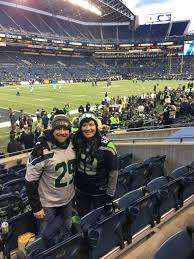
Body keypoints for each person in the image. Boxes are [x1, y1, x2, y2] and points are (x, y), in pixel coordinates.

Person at [25, 114, 75, 237]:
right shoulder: (42, 149)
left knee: (66, 229)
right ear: (52, 129)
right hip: (48, 204)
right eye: (58, 128)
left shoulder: (73, 143)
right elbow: (30, 180)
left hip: (67, 199)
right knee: (46, 235)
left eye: (65, 129)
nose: (62, 132)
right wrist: (36, 207)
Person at [73, 112, 118, 217]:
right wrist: (42, 139)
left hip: (99, 192)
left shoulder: (107, 145)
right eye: (84, 125)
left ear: (96, 126)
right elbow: (60, 136)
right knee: (83, 218)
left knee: (100, 220)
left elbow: (113, 172)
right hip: (81, 190)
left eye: (91, 124)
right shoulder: (76, 139)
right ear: (80, 127)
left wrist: (109, 196)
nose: (88, 128)